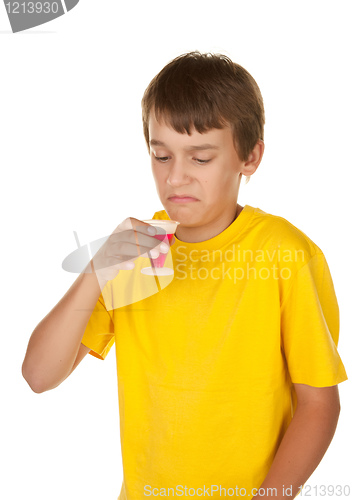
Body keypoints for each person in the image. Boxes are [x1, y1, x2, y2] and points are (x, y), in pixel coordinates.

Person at [22, 51, 347, 500]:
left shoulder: (285, 254)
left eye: (200, 158)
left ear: (249, 158)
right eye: (161, 155)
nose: (176, 178)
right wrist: (96, 271)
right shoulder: (140, 252)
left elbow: (318, 404)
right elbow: (39, 376)